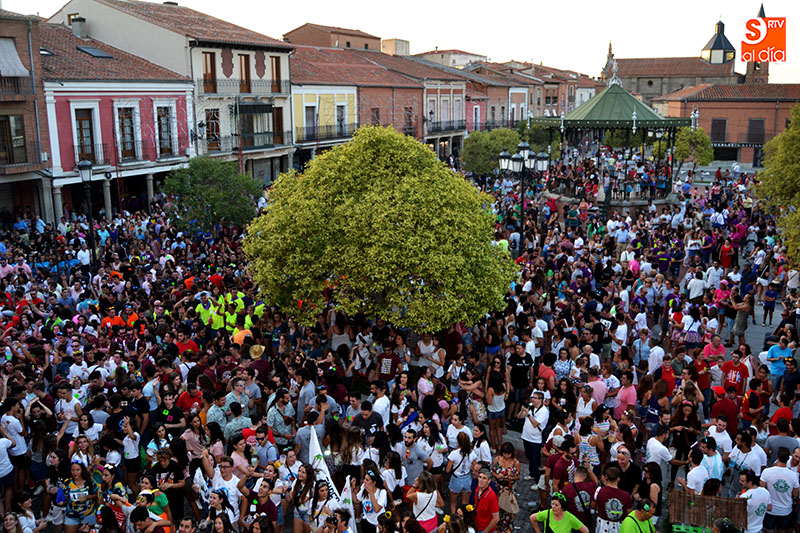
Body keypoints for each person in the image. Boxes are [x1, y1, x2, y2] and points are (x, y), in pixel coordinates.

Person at [760, 447, 799, 533]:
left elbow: (762, 489)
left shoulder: (767, 472)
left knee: (768, 531)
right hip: (786, 511)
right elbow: (795, 494)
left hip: (770, 510)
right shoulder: (793, 475)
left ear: (777, 457)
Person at [471, 468, 499, 533]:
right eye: (480, 477)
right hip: (476, 525)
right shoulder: (478, 488)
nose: (481, 480)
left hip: (484, 529)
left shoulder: (491, 497)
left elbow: (496, 518)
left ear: (489, 481)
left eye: (484, 478)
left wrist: (485, 531)